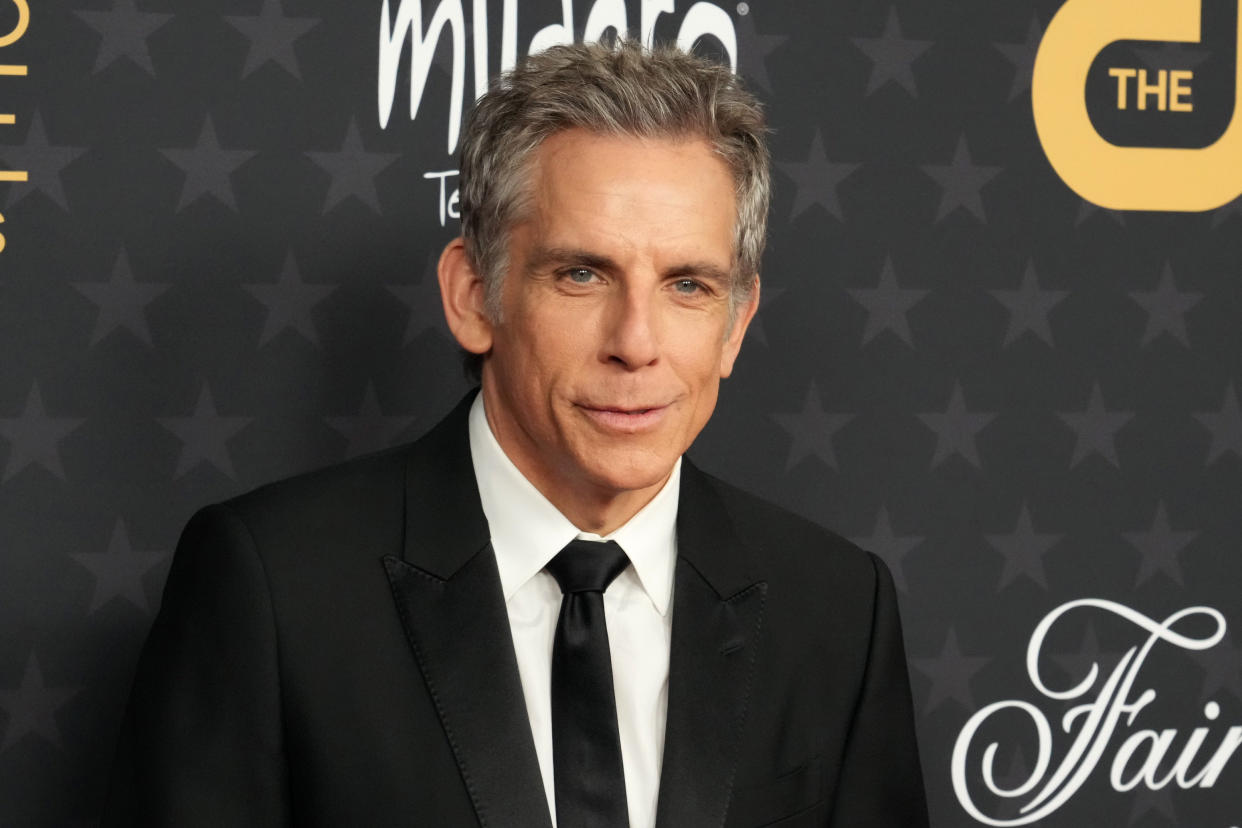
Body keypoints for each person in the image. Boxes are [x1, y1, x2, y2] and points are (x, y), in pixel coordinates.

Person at [105, 40, 928, 828]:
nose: (635, 343)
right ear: (473, 294)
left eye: (687, 284)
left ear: (736, 323)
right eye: (581, 274)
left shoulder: (837, 608)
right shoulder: (273, 587)